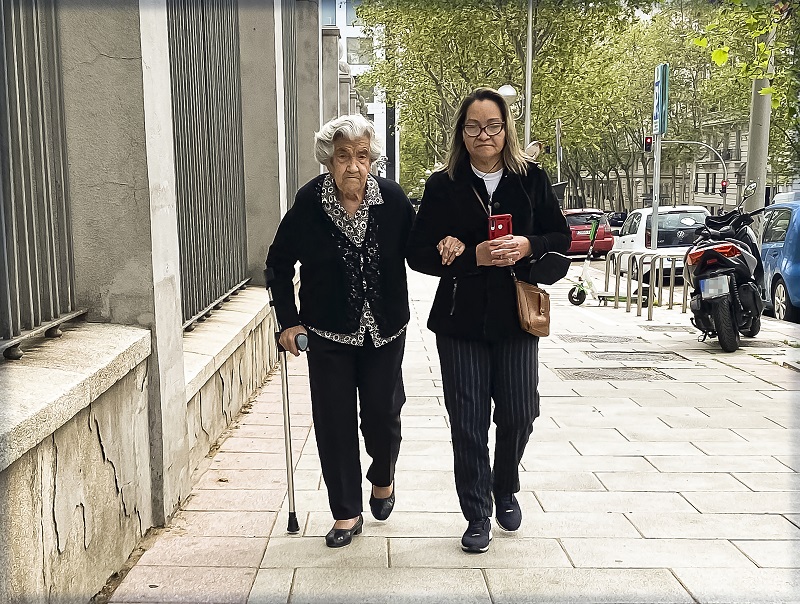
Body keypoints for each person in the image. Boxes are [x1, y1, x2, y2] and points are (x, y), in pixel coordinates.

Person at [406, 87, 571, 553]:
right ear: (462, 131)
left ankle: (505, 483)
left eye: (493, 126)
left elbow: (560, 236)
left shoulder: (530, 178)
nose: (484, 135)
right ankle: (477, 513)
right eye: (474, 126)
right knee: (469, 422)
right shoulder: (444, 184)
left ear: (506, 129)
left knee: (521, 412)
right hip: (461, 320)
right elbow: (417, 253)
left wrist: (528, 247)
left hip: (518, 317)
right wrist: (461, 255)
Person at [266, 114, 414, 548]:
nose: (354, 165)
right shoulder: (309, 203)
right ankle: (346, 512)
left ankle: (383, 474)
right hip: (327, 333)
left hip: (384, 331)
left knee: (382, 417)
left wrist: (452, 244)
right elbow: (278, 264)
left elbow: (419, 249)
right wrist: (288, 321)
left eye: (362, 156)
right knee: (333, 423)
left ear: (373, 161)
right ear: (328, 161)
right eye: (344, 156)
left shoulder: (393, 200)